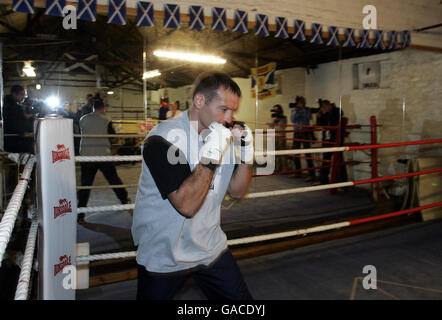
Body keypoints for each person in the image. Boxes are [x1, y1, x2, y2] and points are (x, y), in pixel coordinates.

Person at [132, 72, 254, 300]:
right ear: (199, 101)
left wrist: (247, 154)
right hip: (164, 253)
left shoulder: (221, 135)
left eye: (233, 111)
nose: (229, 119)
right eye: (223, 109)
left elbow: (237, 192)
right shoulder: (162, 140)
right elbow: (186, 205)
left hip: (210, 247)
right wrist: (212, 153)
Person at [77, 99, 131, 222]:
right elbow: (113, 138)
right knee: (113, 179)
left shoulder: (83, 119)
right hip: (103, 154)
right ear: (103, 108)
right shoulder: (106, 120)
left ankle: (80, 214)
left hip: (87, 155)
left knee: (85, 185)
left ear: (92, 107)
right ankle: (124, 200)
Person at [315, 99, 347, 186]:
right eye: (322, 108)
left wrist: (326, 114)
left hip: (336, 140)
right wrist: (319, 117)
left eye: (324, 107)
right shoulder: (324, 113)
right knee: (325, 160)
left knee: (339, 161)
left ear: (329, 105)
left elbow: (335, 122)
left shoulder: (337, 111)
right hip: (327, 139)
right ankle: (323, 180)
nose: (323, 109)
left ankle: (342, 184)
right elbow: (320, 125)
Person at [289, 96, 316, 181]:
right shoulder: (294, 110)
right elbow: (292, 120)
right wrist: (297, 111)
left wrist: (303, 109)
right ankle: (297, 172)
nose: (300, 104)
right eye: (299, 102)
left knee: (308, 153)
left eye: (301, 102)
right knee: (296, 153)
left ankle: (311, 174)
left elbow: (309, 117)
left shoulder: (307, 110)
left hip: (305, 132)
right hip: (297, 133)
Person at [2, 85, 34, 154]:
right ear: (14, 94)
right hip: (15, 140)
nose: (23, 97)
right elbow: (17, 124)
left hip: (7, 139)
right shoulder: (15, 107)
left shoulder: (5, 104)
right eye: (21, 94)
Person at [269, 104, 288, 172]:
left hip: (281, 136)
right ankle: (278, 167)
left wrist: (278, 119)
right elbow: (271, 127)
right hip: (275, 136)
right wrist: (274, 120)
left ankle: (284, 168)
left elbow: (283, 127)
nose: (275, 111)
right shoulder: (274, 117)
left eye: (276, 109)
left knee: (282, 153)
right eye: (274, 109)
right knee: (276, 153)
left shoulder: (284, 117)